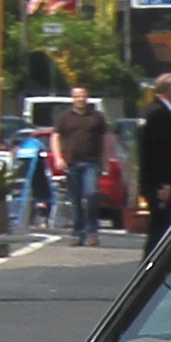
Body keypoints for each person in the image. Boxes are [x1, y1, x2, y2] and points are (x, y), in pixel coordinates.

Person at [138, 74, 171, 255]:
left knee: (161, 227)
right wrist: (165, 183)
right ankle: (150, 268)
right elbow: (159, 151)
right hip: (160, 183)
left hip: (154, 181)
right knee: (159, 229)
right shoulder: (160, 115)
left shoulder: (150, 111)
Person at [56, 88, 110, 247]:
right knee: (75, 200)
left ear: (87, 97)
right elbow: (56, 136)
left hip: (92, 163)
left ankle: (92, 231)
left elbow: (105, 138)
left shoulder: (96, 117)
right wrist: (59, 157)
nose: (80, 99)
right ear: (72, 98)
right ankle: (77, 233)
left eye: (83, 96)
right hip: (72, 163)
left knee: (92, 194)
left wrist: (106, 160)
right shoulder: (64, 117)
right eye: (77, 96)